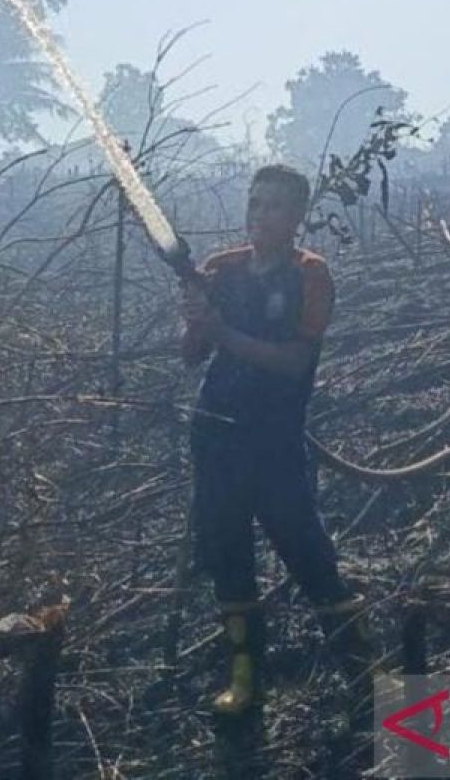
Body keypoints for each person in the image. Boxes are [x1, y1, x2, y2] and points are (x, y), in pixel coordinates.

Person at [179, 164, 373, 717]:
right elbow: (192, 354)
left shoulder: (310, 276)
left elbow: (293, 362)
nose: (261, 215)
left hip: (275, 440)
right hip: (216, 435)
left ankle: (362, 669)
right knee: (227, 556)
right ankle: (244, 676)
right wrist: (196, 320)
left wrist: (223, 333)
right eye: (256, 203)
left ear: (297, 217)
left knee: (307, 552)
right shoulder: (221, 269)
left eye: (275, 206)